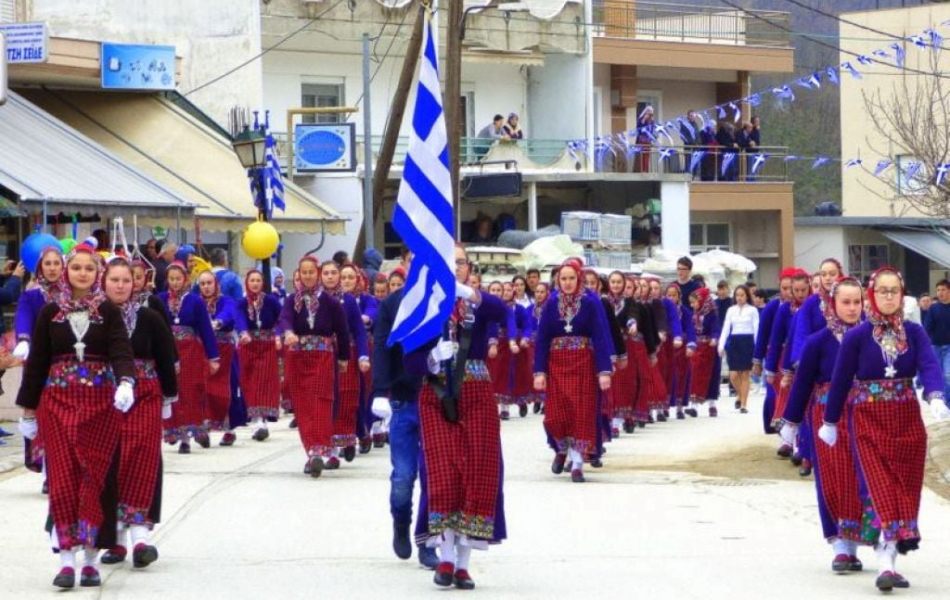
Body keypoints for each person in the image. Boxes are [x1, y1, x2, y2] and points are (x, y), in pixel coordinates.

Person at [16, 243, 136, 589]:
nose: (82, 273)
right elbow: (38, 362)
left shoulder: (108, 312)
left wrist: (126, 380)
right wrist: (28, 409)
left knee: (94, 476)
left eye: (88, 268)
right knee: (64, 478)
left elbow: (120, 350)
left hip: (100, 404)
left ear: (96, 273)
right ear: (66, 272)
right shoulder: (50, 311)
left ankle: (90, 560)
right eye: (76, 268)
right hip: (57, 404)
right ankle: (66, 560)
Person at [821, 267, 949, 592]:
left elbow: (930, 365)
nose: (889, 297)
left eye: (895, 291)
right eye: (883, 291)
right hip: (869, 420)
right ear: (872, 295)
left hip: (907, 419)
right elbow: (839, 382)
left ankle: (890, 554)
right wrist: (830, 421)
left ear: (901, 294)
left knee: (905, 490)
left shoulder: (914, 332)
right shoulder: (857, 336)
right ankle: (885, 562)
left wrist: (935, 395)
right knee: (880, 488)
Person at [404, 245, 508, 589]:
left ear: (468, 269)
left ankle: (464, 563)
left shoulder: (475, 302)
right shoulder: (424, 302)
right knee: (443, 474)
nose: (454, 269)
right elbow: (407, 353)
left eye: (460, 263)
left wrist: (469, 294)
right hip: (435, 391)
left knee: (477, 472)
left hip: (476, 389)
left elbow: (502, 310)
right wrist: (430, 360)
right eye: (448, 264)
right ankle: (445, 558)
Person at [781, 277, 865, 574]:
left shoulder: (874, 336)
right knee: (831, 477)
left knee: (860, 477)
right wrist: (790, 423)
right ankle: (840, 544)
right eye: (846, 302)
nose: (852, 308)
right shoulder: (818, 341)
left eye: (857, 302)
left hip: (865, 415)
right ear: (833, 303)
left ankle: (859, 539)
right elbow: (802, 384)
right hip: (826, 418)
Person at [97, 257, 178, 569]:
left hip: (144, 396)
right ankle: (115, 539)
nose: (121, 285)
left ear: (135, 283)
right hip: (105, 396)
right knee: (111, 461)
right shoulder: (93, 318)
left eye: (126, 280)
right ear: (103, 282)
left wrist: (169, 396)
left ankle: (140, 538)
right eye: (114, 280)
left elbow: (166, 355)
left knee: (141, 457)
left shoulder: (149, 317)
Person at [370, 276, 439, 569]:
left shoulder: (445, 300)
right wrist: (379, 390)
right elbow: (383, 347)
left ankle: (427, 542)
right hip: (404, 398)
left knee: (433, 476)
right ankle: (401, 522)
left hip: (438, 399)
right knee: (403, 476)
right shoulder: (392, 303)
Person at [533, 259, 614, 483]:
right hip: (557, 364)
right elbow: (542, 338)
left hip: (584, 364)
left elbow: (600, 334)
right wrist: (539, 371)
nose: (567, 283)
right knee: (556, 415)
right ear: (557, 280)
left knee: (582, 412)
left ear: (579, 278)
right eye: (563, 278)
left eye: (571, 278)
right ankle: (561, 449)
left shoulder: (591, 302)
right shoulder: (550, 303)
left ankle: (577, 462)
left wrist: (604, 370)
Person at [279, 255, 350, 478]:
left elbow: (343, 330)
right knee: (303, 405)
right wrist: (289, 333)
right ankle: (311, 451)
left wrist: (344, 358)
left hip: (322, 357)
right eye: (304, 272)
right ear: (298, 274)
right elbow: (285, 319)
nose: (308, 276)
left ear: (317, 273)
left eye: (311, 272)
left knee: (321, 402)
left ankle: (320, 448)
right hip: (298, 357)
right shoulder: (292, 299)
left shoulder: (330, 302)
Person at [158, 262, 220, 454]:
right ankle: (177, 433)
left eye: (178, 279)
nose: (175, 283)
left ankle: (192, 432)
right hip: (169, 351)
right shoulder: (159, 299)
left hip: (191, 352)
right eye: (172, 279)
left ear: (185, 279)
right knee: (171, 391)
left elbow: (206, 330)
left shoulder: (195, 301)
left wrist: (213, 357)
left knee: (191, 391)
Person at [320, 261, 370, 466]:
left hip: (346, 354)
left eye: (334, 273)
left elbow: (359, 330)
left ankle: (347, 439)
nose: (330, 277)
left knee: (347, 398)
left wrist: (363, 356)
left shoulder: (348, 300)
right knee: (326, 399)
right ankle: (330, 447)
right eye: (326, 273)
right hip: (321, 355)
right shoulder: (314, 300)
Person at [764, 269, 810, 459]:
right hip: (788, 358)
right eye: (795, 290)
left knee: (806, 401)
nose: (799, 294)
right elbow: (776, 339)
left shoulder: (815, 306)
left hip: (811, 358)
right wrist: (771, 366)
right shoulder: (784, 309)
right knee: (787, 398)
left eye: (803, 290)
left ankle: (802, 444)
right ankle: (786, 440)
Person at [196, 270, 243, 446]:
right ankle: (203, 426)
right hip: (203, 352)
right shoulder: (196, 303)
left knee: (227, 388)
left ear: (216, 284)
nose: (206, 287)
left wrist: (217, 322)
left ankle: (228, 428)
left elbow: (229, 313)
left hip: (225, 352)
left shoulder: (226, 301)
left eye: (209, 283)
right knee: (204, 387)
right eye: (203, 284)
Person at [237, 270, 283, 441]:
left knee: (265, 381)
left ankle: (262, 419)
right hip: (248, 346)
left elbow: (282, 318)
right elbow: (239, 318)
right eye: (252, 280)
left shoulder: (271, 300)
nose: (255, 283)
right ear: (246, 283)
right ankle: (255, 419)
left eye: (258, 280)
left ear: (262, 283)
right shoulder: (242, 302)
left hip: (267, 345)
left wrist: (279, 335)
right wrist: (243, 333)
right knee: (250, 381)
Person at [753, 269, 794, 434]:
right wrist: (757, 360)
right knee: (772, 393)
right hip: (774, 356)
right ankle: (771, 423)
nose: (788, 292)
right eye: (784, 288)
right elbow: (763, 335)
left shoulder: (802, 307)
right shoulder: (772, 307)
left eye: (790, 288)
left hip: (792, 356)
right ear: (780, 287)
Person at [718, 285, 759, 413]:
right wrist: (721, 344)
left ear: (747, 296)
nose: (739, 298)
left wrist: (757, 346)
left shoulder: (752, 310)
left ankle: (743, 404)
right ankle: (740, 394)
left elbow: (757, 328)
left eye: (742, 295)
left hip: (747, 341)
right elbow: (726, 327)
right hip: (734, 342)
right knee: (733, 375)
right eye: (737, 295)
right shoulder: (731, 310)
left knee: (745, 374)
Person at [687, 287, 721, 417]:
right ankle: (693, 406)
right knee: (695, 375)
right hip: (697, 349)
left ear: (701, 301)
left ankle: (712, 405)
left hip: (708, 350)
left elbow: (715, 328)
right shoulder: (694, 314)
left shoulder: (711, 313)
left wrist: (714, 338)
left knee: (710, 376)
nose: (692, 305)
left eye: (694, 302)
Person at [924, 279, 950, 399]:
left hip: (949, 347)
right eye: (938, 290)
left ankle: (947, 400)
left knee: (948, 374)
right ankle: (941, 398)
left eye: (943, 290)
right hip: (935, 346)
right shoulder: (933, 309)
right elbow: (927, 328)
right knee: (938, 374)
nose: (940, 293)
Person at [635, 105, 656, 172]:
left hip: (647, 141)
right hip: (641, 141)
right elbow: (638, 129)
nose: (650, 114)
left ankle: (646, 170)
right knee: (640, 157)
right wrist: (644, 119)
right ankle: (640, 170)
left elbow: (652, 131)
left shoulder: (651, 121)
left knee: (647, 157)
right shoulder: (641, 118)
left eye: (651, 112)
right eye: (649, 112)